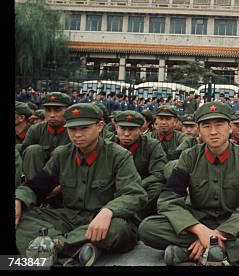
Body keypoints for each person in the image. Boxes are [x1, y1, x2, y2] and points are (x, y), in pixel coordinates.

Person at [138, 101, 239, 266]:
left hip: (235, 221)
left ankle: (188, 252)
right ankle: (234, 251)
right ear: (198, 130)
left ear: (230, 127)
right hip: (197, 221)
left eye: (219, 125)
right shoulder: (188, 157)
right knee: (147, 228)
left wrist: (218, 233)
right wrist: (200, 230)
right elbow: (168, 200)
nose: (213, 132)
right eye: (206, 126)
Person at [15, 103, 147, 266]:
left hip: (105, 219)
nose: (77, 134)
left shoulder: (119, 156)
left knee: (118, 230)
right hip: (69, 217)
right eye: (72, 129)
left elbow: (134, 194)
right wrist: (19, 199)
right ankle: (73, 249)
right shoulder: (61, 155)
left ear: (99, 126)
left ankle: (54, 247)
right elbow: (37, 186)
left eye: (84, 128)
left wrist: (109, 210)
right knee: (23, 215)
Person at [112, 111, 167, 219]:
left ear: (140, 130)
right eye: (122, 129)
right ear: (116, 128)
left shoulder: (151, 145)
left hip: (141, 189)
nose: (127, 134)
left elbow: (158, 173)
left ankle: (135, 215)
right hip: (114, 188)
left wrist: (136, 185)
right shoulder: (108, 146)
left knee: (158, 188)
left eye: (132, 129)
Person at [20, 92, 72, 181]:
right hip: (38, 176)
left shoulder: (74, 129)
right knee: (32, 150)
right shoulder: (35, 129)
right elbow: (25, 155)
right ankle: (34, 189)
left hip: (66, 178)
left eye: (57, 110)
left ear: (67, 111)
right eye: (48, 110)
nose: (52, 115)